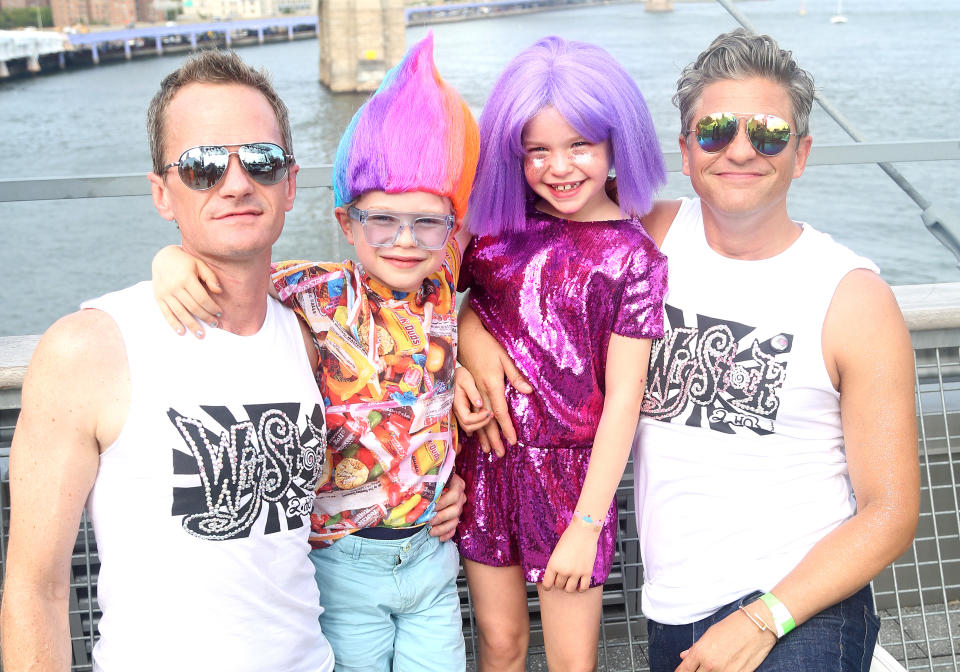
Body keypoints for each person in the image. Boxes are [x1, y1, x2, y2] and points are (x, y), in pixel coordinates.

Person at [458, 29, 919, 672]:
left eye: (768, 133)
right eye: (716, 131)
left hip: (800, 605)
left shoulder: (854, 298)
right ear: (683, 149)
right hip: (674, 613)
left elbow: (892, 510)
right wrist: (469, 341)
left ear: (803, 153)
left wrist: (766, 619)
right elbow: (518, 270)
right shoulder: (643, 234)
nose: (739, 151)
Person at [0, 48, 464, 672]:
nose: (237, 183)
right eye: (202, 166)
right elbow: (36, 589)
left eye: (263, 162)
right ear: (162, 193)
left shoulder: (313, 336)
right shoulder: (92, 350)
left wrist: (458, 404)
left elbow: (400, 375)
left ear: (291, 184)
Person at [150, 34, 477, 672]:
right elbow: (230, 273)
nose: (405, 240)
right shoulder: (312, 290)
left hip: (432, 554)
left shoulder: (443, 278)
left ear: (451, 230)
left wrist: (468, 366)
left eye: (426, 222)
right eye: (382, 220)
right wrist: (169, 261)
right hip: (343, 561)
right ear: (345, 223)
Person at [451, 36, 668, 672]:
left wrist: (587, 524)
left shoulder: (634, 257)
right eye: (535, 151)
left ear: (615, 144)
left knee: (574, 661)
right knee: (500, 643)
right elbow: (425, 301)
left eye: (580, 146)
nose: (559, 167)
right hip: (487, 459)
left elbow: (625, 396)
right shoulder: (492, 229)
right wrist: (469, 337)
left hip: (574, 481)